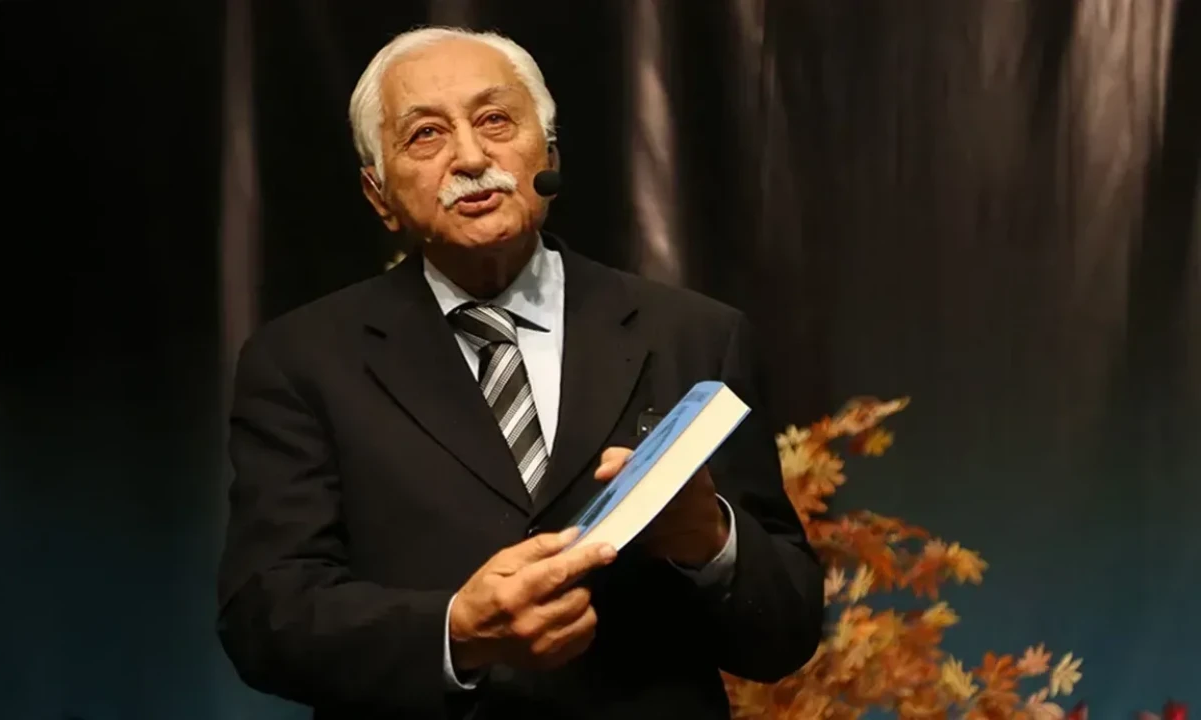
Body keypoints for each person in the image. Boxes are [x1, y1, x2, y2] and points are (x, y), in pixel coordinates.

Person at [217, 26, 823, 720]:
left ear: (550, 153)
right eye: (426, 135)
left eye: (495, 120)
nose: (472, 158)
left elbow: (787, 629)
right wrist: (455, 632)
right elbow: (265, 616)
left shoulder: (695, 336)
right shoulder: (301, 361)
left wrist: (709, 539)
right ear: (378, 194)